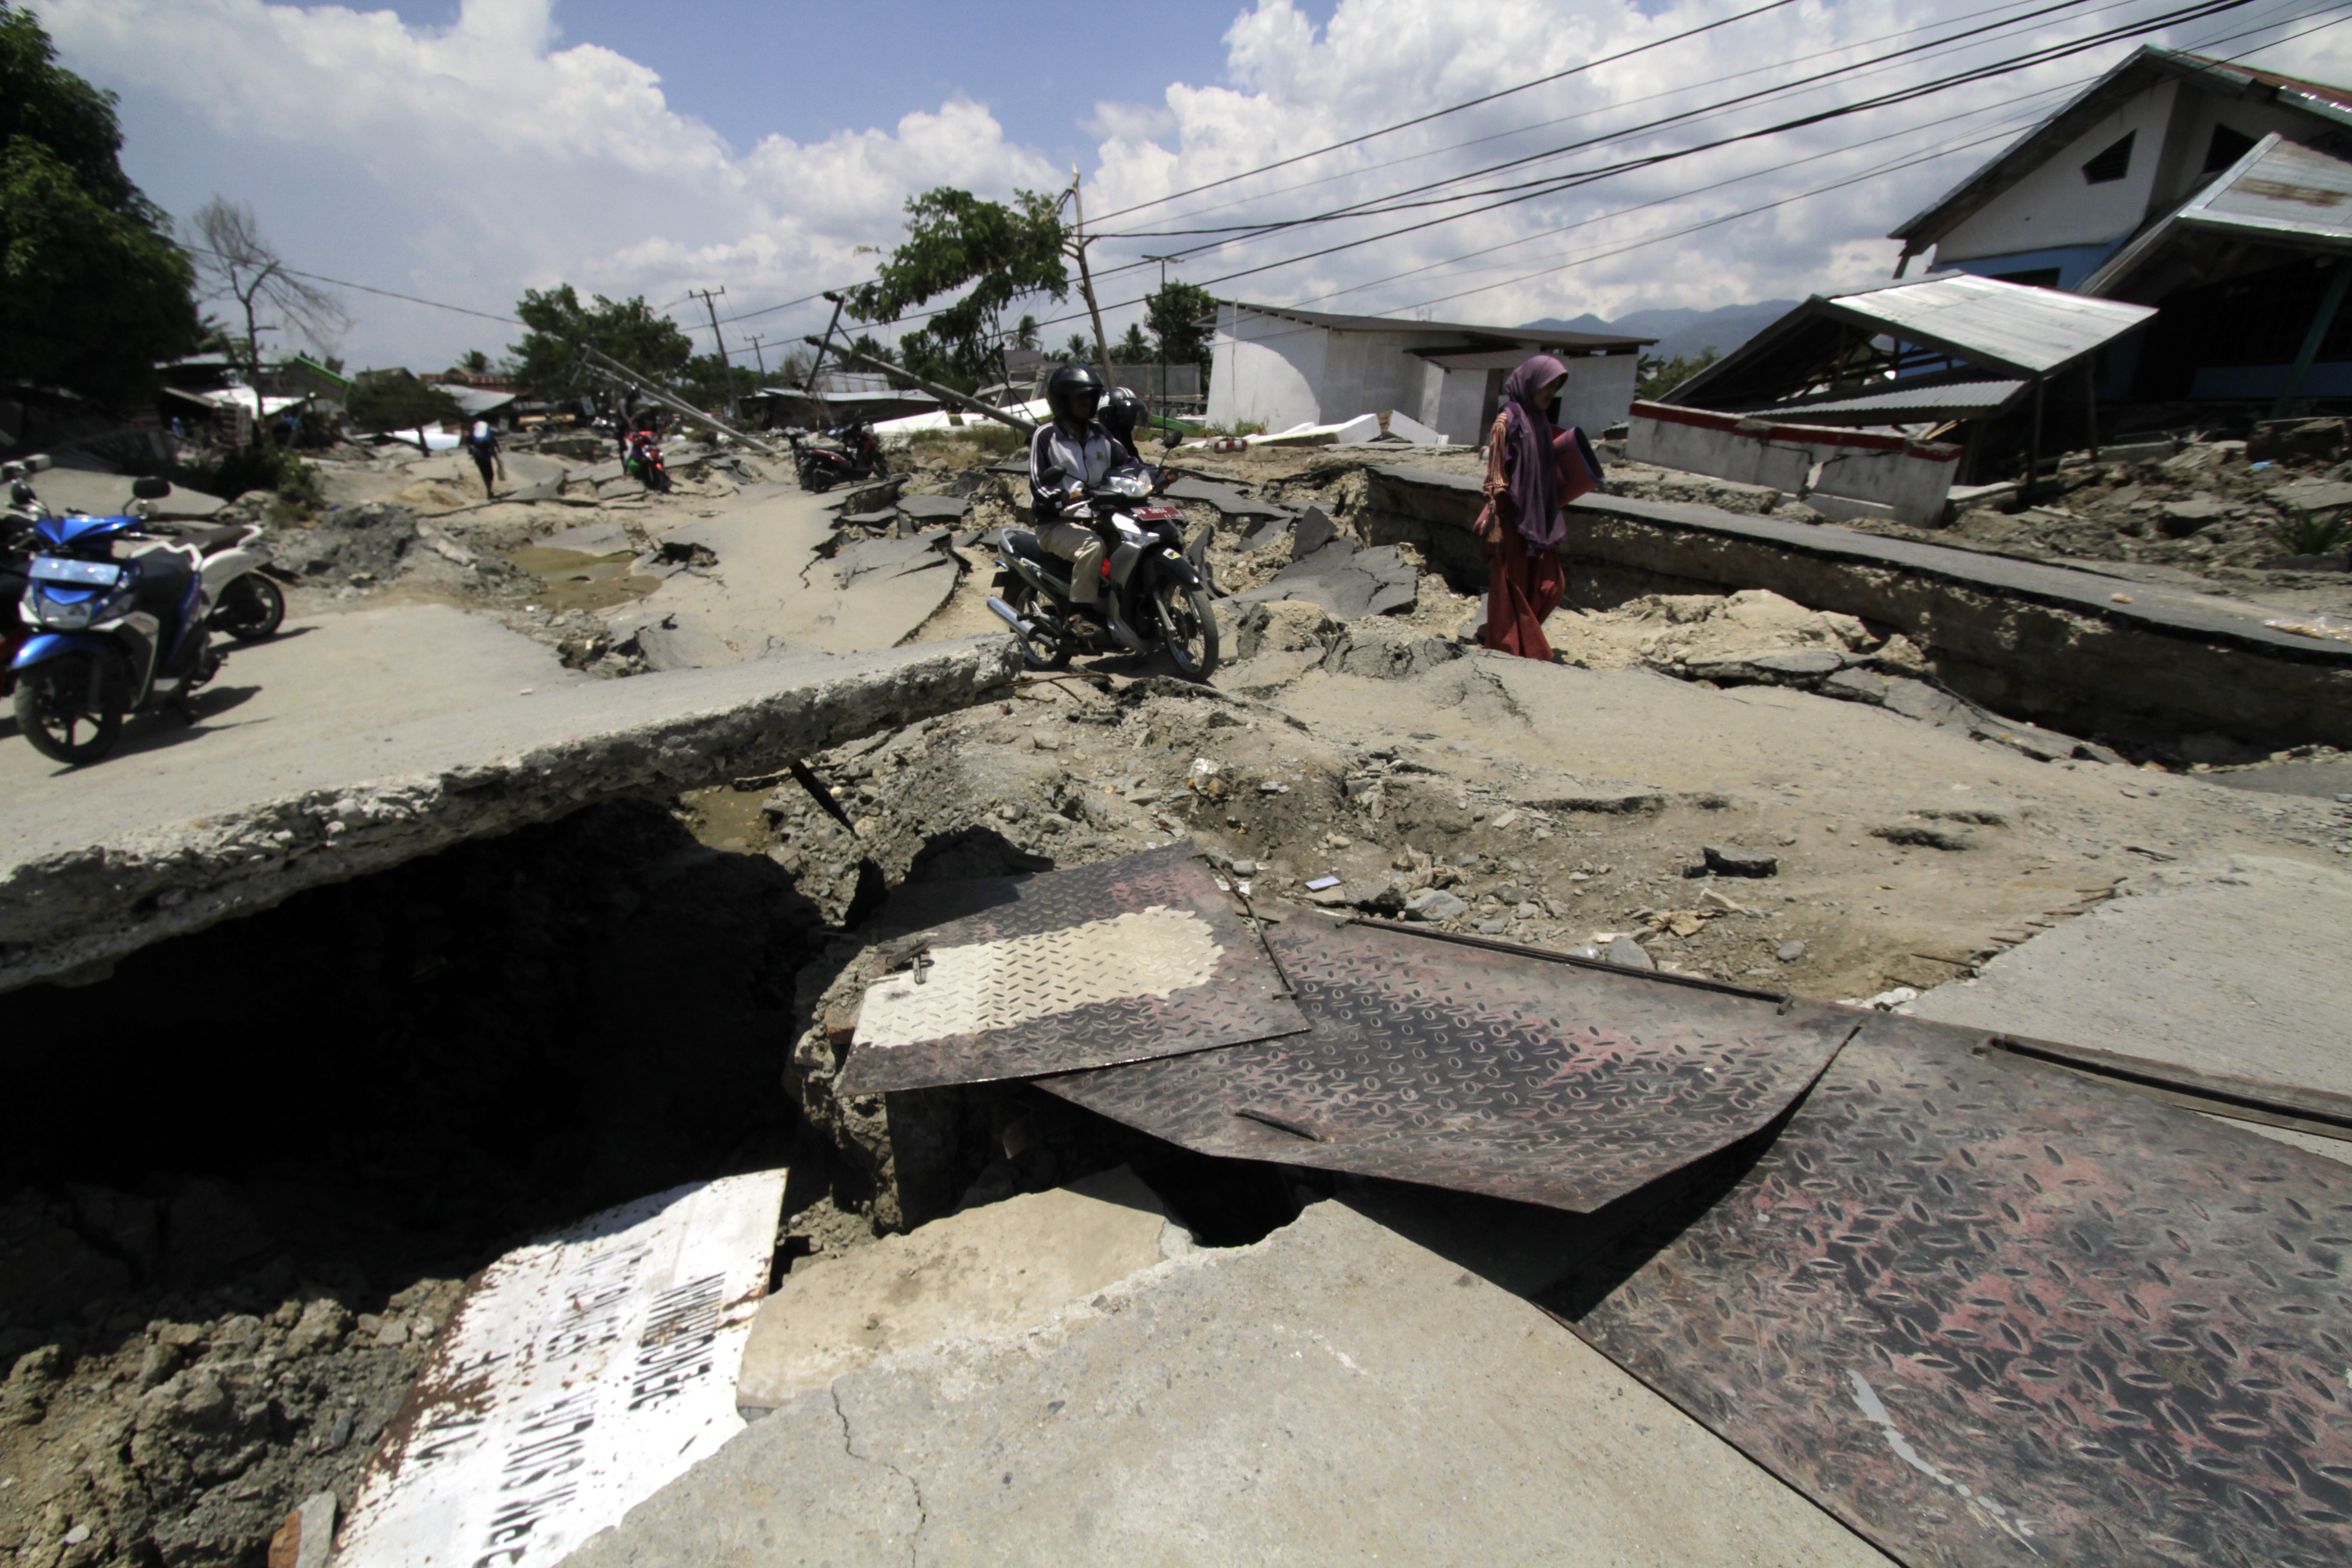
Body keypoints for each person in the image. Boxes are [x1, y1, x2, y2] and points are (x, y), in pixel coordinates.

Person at [1473, 356, 1602, 661]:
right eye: (1547, 385)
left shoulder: (1540, 421)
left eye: (1556, 387)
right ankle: (1510, 647)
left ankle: (1506, 636)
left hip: (1540, 517)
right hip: (1512, 517)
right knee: (1513, 585)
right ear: (1531, 383)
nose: (1551, 393)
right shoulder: (1508, 422)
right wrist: (1496, 523)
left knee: (1551, 585)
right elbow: (1497, 476)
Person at [1028, 363, 1123, 638]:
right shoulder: (1046, 436)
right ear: (1062, 400)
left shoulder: (1102, 435)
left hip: (1101, 518)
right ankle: (1077, 615)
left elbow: (1127, 463)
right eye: (1078, 397)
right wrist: (1063, 496)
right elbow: (1038, 484)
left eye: (1090, 397)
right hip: (1057, 524)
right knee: (1093, 547)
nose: (1085, 402)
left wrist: (1157, 473)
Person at [1101, 384, 1149, 461]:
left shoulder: (1126, 439)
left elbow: (1137, 463)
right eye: (1125, 416)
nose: (1130, 421)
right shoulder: (1104, 445)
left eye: (1132, 416)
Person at [467, 417, 505, 498]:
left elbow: (470, 444)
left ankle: (489, 491)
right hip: (486, 457)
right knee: (490, 474)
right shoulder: (487, 434)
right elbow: (492, 446)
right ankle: (489, 491)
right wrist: (497, 459)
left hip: (478, 457)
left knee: (485, 474)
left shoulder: (474, 432)